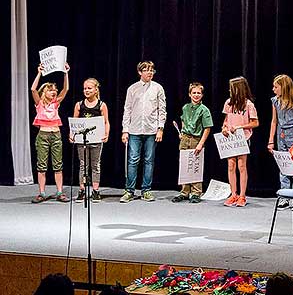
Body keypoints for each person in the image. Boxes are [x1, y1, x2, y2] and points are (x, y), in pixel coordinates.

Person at [120, 61, 167, 203]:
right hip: (134, 130)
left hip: (151, 130)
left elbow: (162, 110)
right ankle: (129, 190)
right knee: (133, 160)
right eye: (146, 70)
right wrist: (125, 130)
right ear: (140, 72)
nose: (150, 73)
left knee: (149, 161)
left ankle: (146, 190)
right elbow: (127, 110)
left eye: (152, 70)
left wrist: (160, 129)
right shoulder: (132, 89)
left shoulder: (158, 88)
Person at [30, 63, 71, 203]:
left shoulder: (56, 103)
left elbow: (66, 89)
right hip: (43, 136)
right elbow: (33, 89)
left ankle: (59, 192)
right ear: (44, 92)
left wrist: (66, 73)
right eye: (50, 90)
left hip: (56, 135)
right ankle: (41, 193)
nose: (54, 92)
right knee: (41, 165)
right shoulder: (39, 103)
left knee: (58, 165)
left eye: (55, 89)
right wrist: (39, 73)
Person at [267, 74, 293, 209]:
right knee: (283, 166)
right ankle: (284, 197)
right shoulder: (275, 102)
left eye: (276, 87)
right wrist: (271, 140)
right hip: (281, 136)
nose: (273, 89)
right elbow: (274, 121)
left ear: (283, 87)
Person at [172, 82, 213, 203]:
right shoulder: (185, 107)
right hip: (185, 138)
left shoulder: (204, 110)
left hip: (196, 139)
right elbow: (183, 120)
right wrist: (182, 132)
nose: (196, 95)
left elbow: (207, 128)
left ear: (202, 95)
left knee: (195, 165)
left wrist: (201, 143)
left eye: (198, 93)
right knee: (185, 165)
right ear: (190, 94)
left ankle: (196, 192)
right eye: (194, 93)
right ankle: (184, 191)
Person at [222, 76, 259, 207]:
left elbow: (255, 123)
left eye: (232, 88)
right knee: (231, 166)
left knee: (241, 166)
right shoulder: (228, 103)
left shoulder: (249, 105)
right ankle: (233, 194)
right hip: (230, 139)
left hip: (243, 138)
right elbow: (226, 120)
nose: (229, 90)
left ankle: (242, 196)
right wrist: (224, 128)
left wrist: (240, 127)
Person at [71, 78, 110, 203]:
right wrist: (72, 134)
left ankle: (95, 190)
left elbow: (106, 122)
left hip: (96, 139)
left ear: (96, 90)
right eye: (85, 88)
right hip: (82, 141)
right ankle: (82, 190)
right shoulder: (79, 105)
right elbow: (74, 122)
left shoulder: (101, 105)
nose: (86, 90)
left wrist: (106, 134)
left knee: (95, 165)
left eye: (89, 88)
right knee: (83, 165)